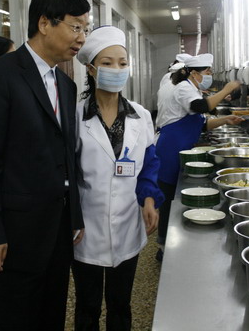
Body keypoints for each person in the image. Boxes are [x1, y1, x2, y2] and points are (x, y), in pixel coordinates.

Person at [0, 0, 90, 331]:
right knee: (14, 320)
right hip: (14, 235)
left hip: (57, 231)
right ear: (45, 23)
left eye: (86, 29)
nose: (81, 38)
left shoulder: (65, 85)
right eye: (75, 27)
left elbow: (66, 155)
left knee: (51, 315)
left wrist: (74, 215)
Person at [73, 25, 164, 331]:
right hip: (86, 227)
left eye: (122, 63)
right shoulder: (75, 117)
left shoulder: (141, 115)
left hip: (128, 222)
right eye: (107, 63)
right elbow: (65, 172)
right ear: (91, 69)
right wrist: (70, 217)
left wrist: (149, 198)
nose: (117, 69)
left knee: (120, 303)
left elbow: (149, 164)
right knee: (87, 305)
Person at [154, 54, 242, 261]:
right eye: (207, 72)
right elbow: (200, 107)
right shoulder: (183, 88)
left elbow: (201, 123)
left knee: (174, 196)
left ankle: (170, 243)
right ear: (194, 73)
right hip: (171, 148)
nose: (209, 75)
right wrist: (226, 90)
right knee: (169, 198)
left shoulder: (189, 87)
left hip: (179, 145)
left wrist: (225, 120)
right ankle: (164, 246)